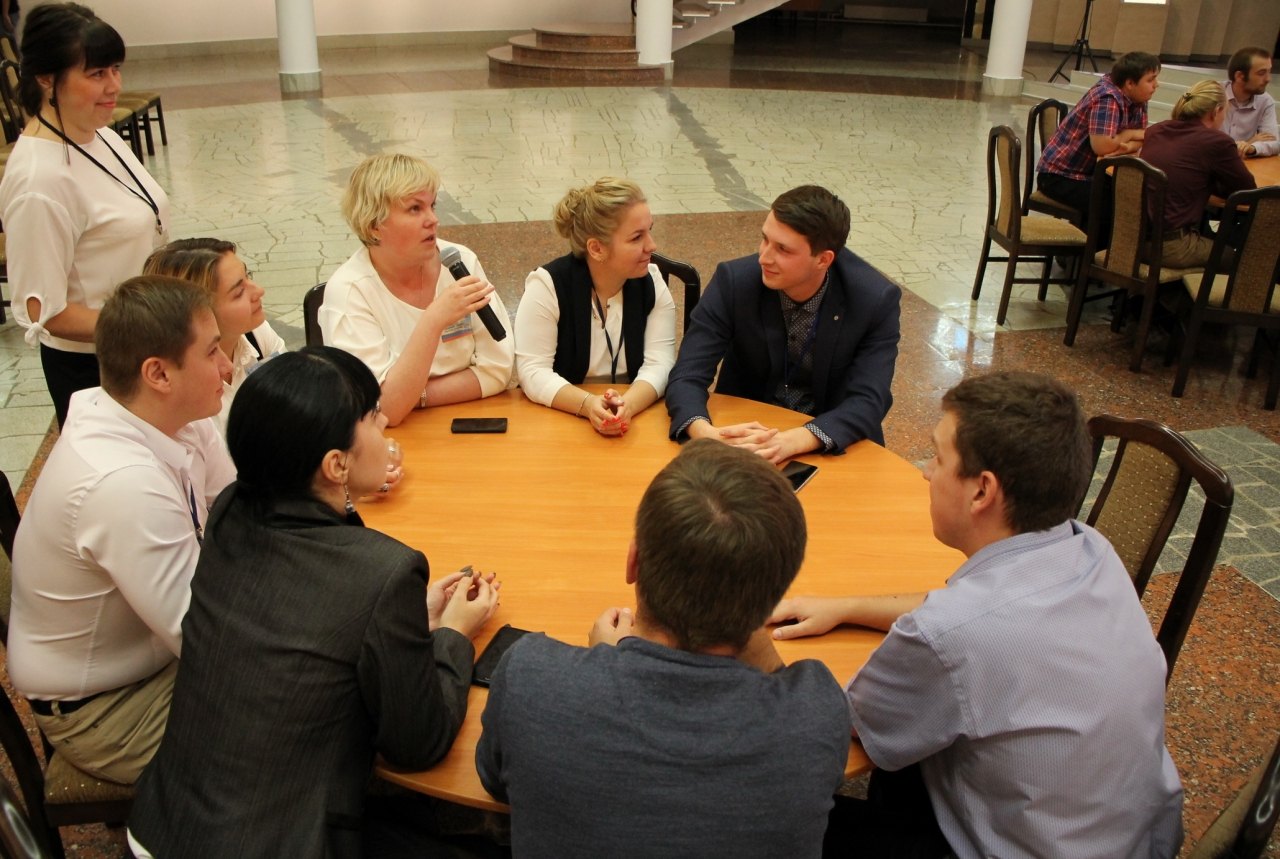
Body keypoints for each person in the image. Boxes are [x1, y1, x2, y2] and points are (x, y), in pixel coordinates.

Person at [769, 371, 1184, 859]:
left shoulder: (948, 634)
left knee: (778, 822)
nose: (925, 472)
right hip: (1134, 837)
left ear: (982, 492)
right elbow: (969, 615)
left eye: (937, 457)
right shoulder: (1090, 548)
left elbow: (850, 719)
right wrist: (847, 608)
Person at [128, 347, 501, 859]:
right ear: (336, 464)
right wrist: (453, 633)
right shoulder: (385, 571)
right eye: (372, 417)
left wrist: (401, 621)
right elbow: (419, 744)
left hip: (161, 828)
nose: (384, 425)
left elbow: (312, 616)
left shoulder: (233, 509)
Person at [476, 439, 851, 859]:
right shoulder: (815, 714)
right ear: (774, 599)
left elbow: (496, 780)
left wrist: (611, 661)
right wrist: (745, 610)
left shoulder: (531, 677)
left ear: (633, 562)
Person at [7, 275, 234, 785]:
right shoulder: (122, 482)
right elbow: (208, 639)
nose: (226, 366)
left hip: (161, 655)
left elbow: (243, 515)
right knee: (315, 720)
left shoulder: (169, 415)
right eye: (212, 351)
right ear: (158, 373)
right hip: (107, 710)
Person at [0, 3, 170, 428]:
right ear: (46, 78)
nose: (114, 86)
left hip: (142, 347)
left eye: (116, 69)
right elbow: (45, 312)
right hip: (96, 369)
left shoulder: (100, 135)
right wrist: (151, 327)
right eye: (96, 74)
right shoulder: (39, 180)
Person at [665, 185, 899, 461]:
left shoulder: (874, 299)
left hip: (829, 438)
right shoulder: (735, 281)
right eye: (765, 239)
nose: (763, 257)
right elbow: (687, 374)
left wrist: (792, 441)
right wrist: (707, 435)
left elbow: (869, 400)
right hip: (745, 429)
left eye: (783, 249)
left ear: (823, 260)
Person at [321, 154, 514, 427]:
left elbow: (498, 370)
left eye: (432, 205)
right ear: (374, 225)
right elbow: (383, 409)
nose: (433, 219)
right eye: (415, 208)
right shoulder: (350, 292)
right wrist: (433, 320)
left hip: (470, 420)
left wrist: (415, 395)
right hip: (392, 441)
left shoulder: (460, 262)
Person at [514, 178, 676, 436]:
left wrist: (627, 406)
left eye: (650, 231)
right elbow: (532, 372)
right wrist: (588, 405)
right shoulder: (547, 285)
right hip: (561, 419)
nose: (652, 246)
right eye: (637, 237)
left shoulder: (653, 282)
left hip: (635, 418)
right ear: (596, 248)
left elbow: (661, 364)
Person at [144, 239, 286, 432]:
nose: (259, 291)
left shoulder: (257, 335)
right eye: (239, 292)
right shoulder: (181, 385)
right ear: (199, 310)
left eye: (248, 275)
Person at [1037, 51, 1161, 235]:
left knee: (1133, 195)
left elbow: (1143, 138)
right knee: (1116, 205)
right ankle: (1087, 251)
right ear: (1130, 83)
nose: (1156, 85)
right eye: (1151, 80)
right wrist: (1128, 135)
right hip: (1060, 176)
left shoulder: (1138, 97)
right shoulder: (1107, 98)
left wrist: (1126, 142)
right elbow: (1102, 147)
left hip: (1090, 172)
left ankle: (1089, 246)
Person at [1140, 81, 1256, 269]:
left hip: (1134, 240)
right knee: (1241, 260)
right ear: (1216, 112)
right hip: (1172, 247)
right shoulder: (1217, 142)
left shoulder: (1156, 131)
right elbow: (1248, 192)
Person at [1222, 47, 1277, 158]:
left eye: (1269, 71)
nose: (1268, 79)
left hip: (1239, 163)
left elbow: (1274, 143)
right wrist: (1249, 142)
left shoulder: (1265, 101)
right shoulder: (1213, 94)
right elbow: (1200, 141)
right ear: (1239, 76)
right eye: (1261, 73)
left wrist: (1251, 147)